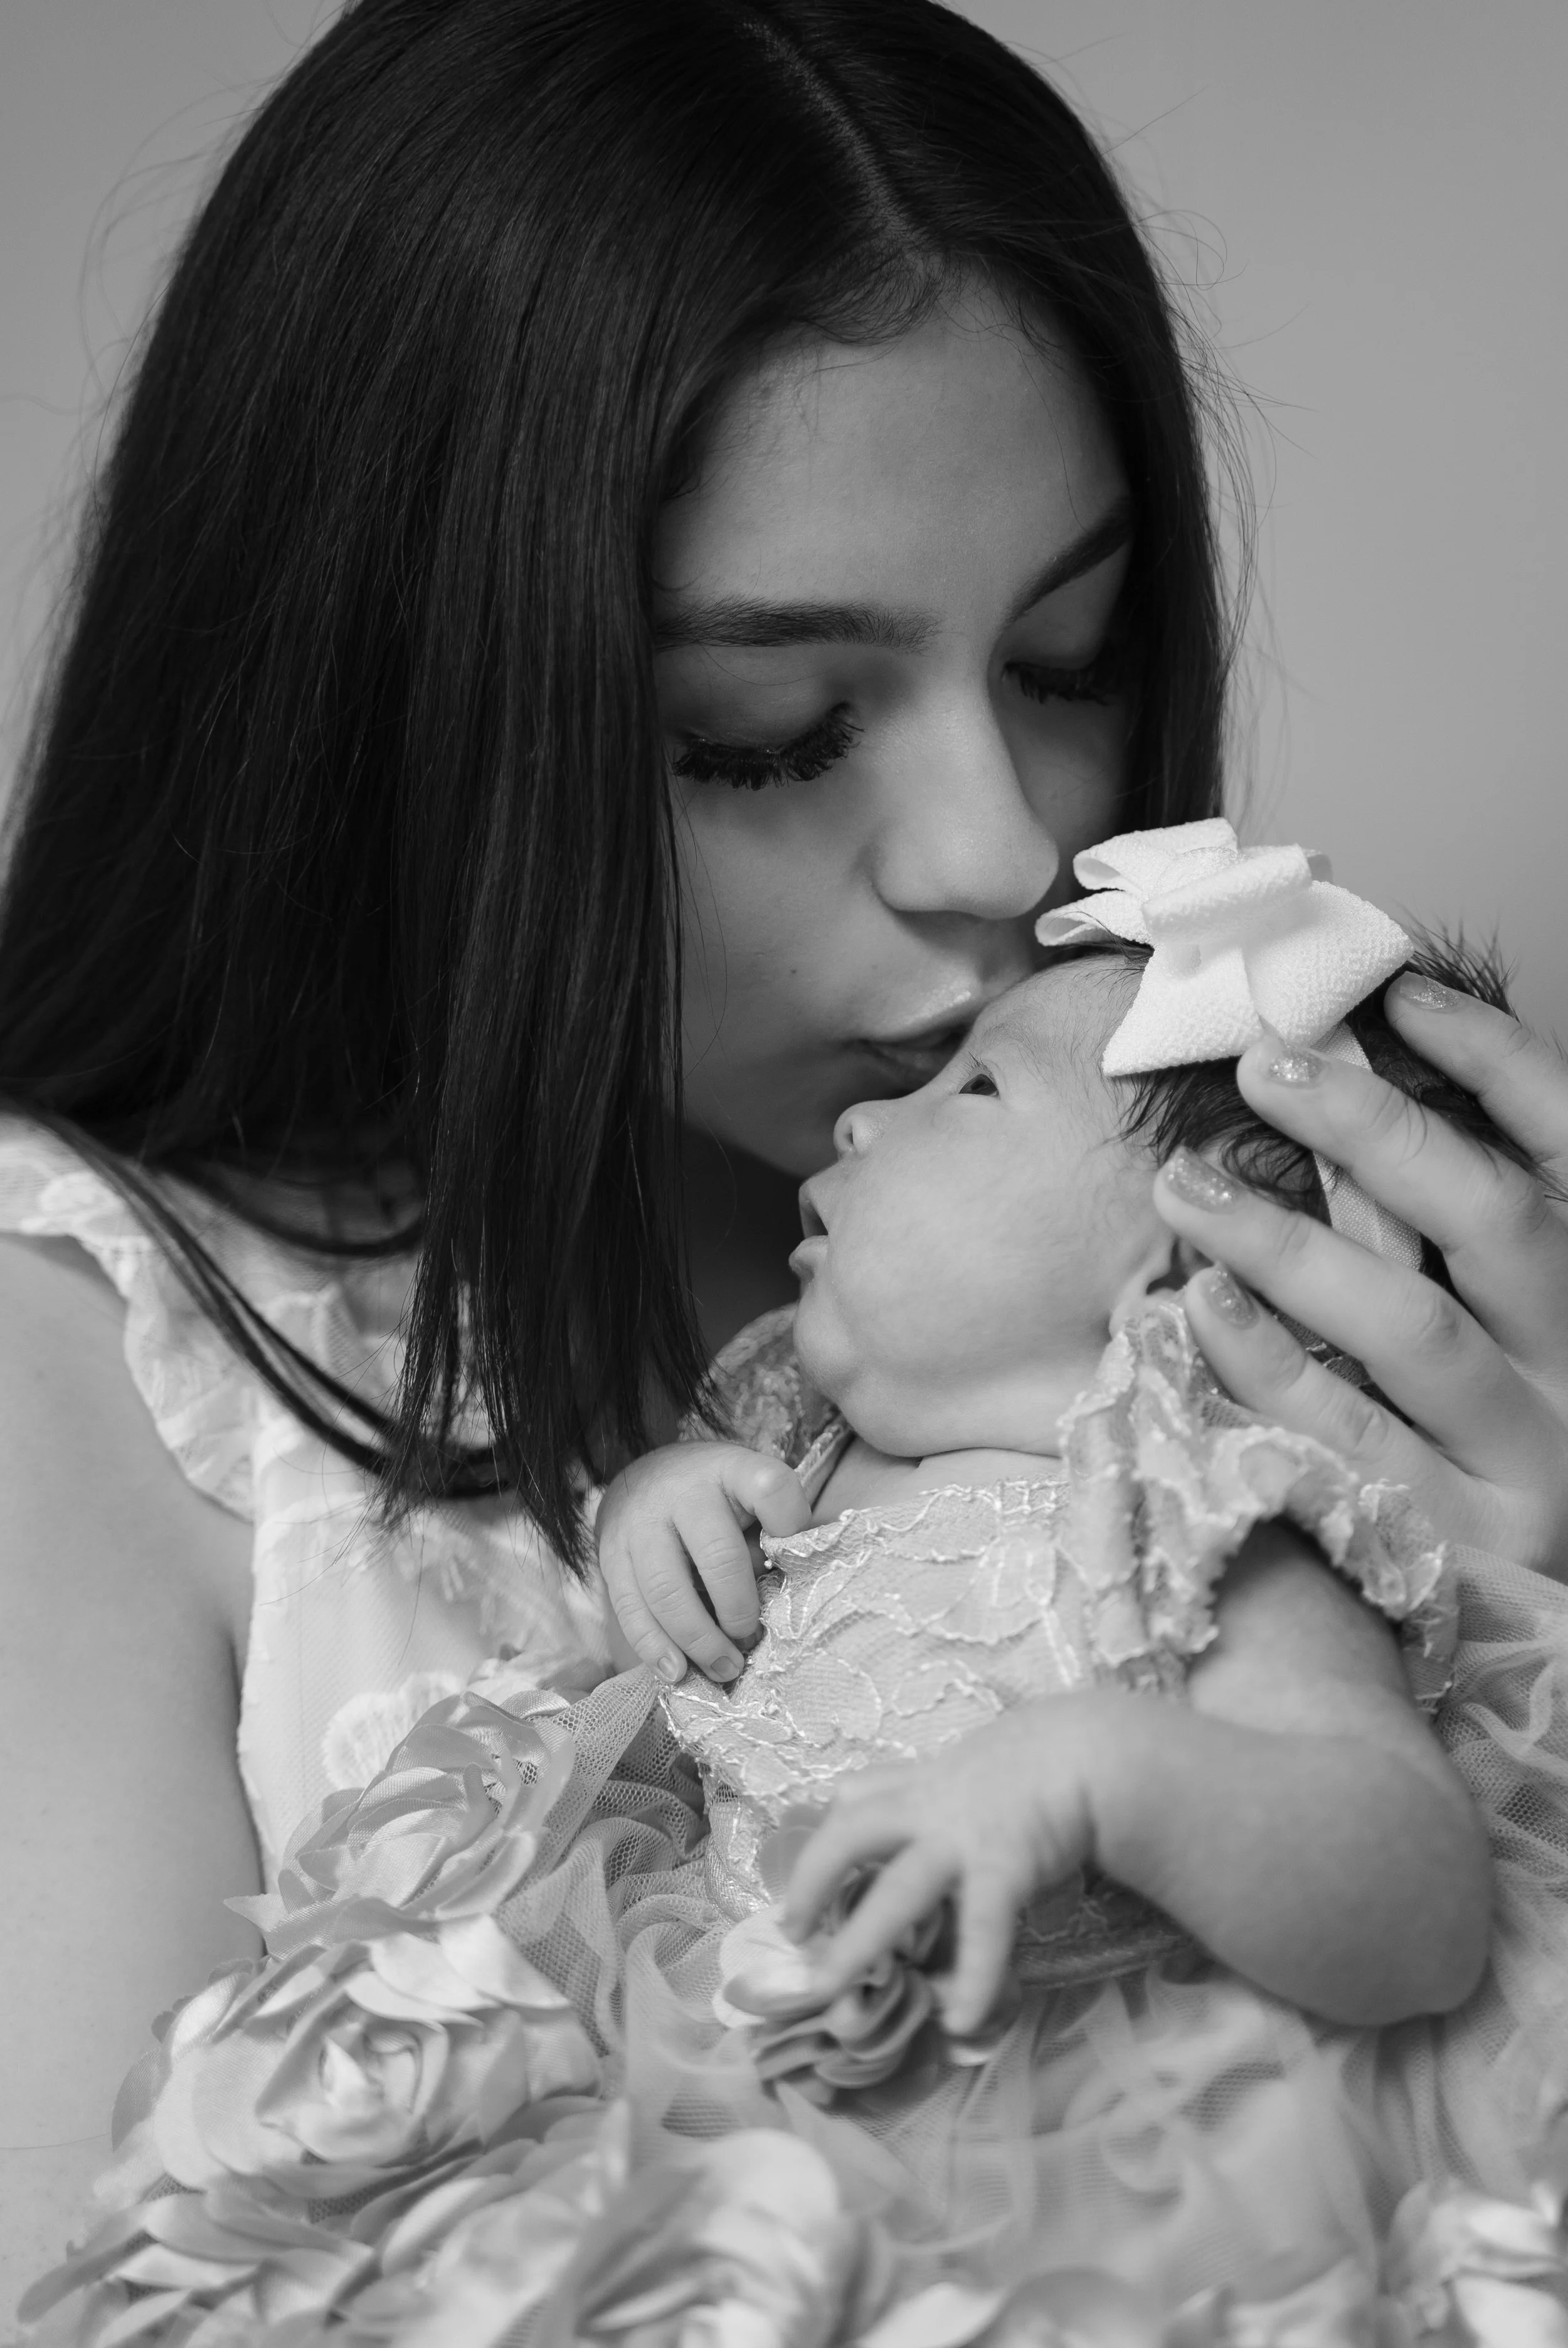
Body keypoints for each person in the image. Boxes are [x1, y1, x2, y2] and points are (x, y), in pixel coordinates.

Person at [6, 0, 1568, 2305]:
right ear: (384, 717)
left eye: (1070, 654)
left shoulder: (1224, 1307)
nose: (1002, 845)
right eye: (766, 731)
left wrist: (1515, 1646)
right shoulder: (87, 1376)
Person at [29, 836, 1568, 2339]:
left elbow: (1413, 1904)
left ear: (1193, 1264)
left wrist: (1107, 1772)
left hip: (1051, 2152)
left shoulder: (1188, 1501)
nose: (865, 1120)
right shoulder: (790, 1435)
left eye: (974, 1091)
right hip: (722, 2086)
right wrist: (660, 1512)